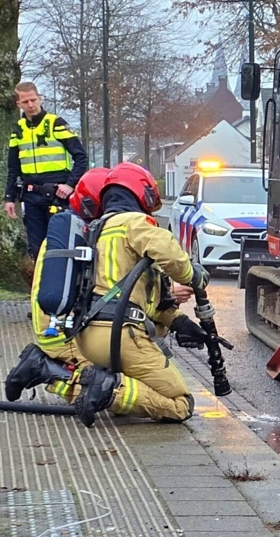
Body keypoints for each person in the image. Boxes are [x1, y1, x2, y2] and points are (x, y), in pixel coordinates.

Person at [72, 162, 209, 428]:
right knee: (181, 404)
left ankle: (109, 387)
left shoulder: (96, 228)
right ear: (142, 193)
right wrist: (194, 275)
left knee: (141, 390)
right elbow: (169, 254)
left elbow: (137, 294)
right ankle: (107, 391)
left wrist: (178, 322)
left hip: (88, 338)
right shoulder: (134, 222)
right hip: (120, 336)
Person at [3, 167, 108, 403]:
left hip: (61, 327)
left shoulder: (68, 232)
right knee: (104, 390)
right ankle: (43, 369)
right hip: (64, 335)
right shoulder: (86, 238)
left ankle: (49, 364)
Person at [4, 82, 89, 263]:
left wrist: (70, 185)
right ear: (18, 104)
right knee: (36, 248)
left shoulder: (56, 123)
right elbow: (13, 167)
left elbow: (81, 158)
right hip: (31, 195)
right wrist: (9, 198)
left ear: (39, 98)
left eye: (33, 100)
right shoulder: (18, 129)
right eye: (25, 102)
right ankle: (40, 279)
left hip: (58, 194)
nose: (30, 105)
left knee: (60, 244)